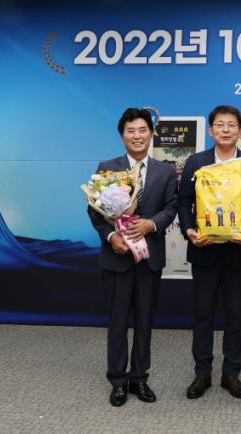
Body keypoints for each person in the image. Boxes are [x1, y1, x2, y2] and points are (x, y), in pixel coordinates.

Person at [88, 108, 178, 407]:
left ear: (151, 134)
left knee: (144, 321)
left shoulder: (166, 171)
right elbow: (94, 211)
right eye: (130, 131)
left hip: (148, 258)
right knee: (117, 321)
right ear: (121, 135)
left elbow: (171, 206)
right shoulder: (107, 168)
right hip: (117, 259)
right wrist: (111, 237)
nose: (137, 136)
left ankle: (139, 378)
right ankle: (117, 380)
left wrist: (151, 224)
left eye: (142, 130)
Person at [178, 105, 241, 400]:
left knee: (236, 316)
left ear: (240, 131)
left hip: (237, 252)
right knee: (203, 314)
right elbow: (183, 202)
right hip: (204, 250)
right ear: (210, 130)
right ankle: (202, 373)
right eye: (220, 124)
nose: (226, 129)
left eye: (231, 125)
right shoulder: (196, 162)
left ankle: (231, 374)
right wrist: (189, 230)